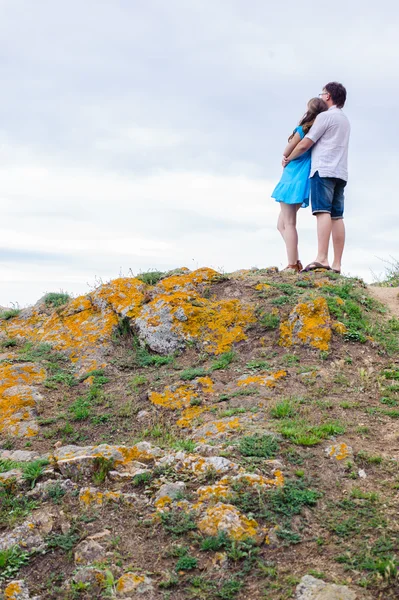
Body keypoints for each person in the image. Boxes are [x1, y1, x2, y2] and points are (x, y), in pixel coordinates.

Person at [282, 82, 350, 274]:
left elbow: (305, 144)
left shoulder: (325, 117)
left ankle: (322, 258)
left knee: (322, 212)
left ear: (328, 96)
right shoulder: (345, 120)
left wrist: (288, 158)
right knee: (337, 216)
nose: (321, 97)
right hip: (341, 171)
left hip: (323, 169)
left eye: (322, 94)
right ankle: (337, 264)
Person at [272, 98, 328, 273]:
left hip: (292, 177)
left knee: (288, 224)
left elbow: (286, 151)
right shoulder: (318, 133)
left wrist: (287, 156)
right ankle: (295, 261)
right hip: (302, 179)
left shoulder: (302, 130)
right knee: (281, 224)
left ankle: (291, 265)